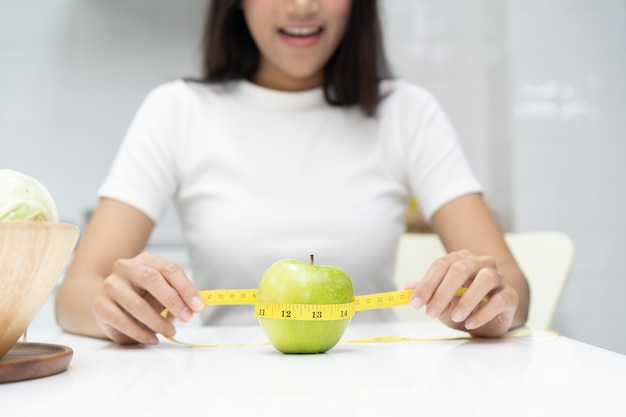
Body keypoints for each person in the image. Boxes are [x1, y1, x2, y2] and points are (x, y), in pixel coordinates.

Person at [55, 0, 529, 345]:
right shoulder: (176, 110)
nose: (302, 6)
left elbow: (514, 286)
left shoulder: (408, 112)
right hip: (221, 380)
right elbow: (77, 291)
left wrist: (491, 305)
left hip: (381, 377)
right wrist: (114, 309)